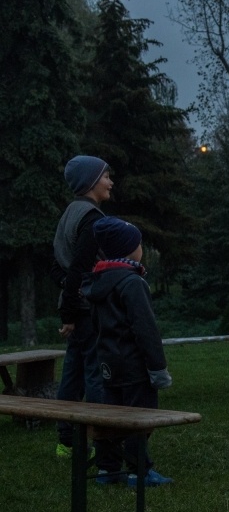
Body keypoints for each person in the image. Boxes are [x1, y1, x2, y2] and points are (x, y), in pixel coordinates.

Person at [81, 216, 173, 486]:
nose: (141, 248)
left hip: (108, 362)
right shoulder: (133, 283)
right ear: (130, 249)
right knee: (140, 417)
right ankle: (138, 470)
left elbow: (95, 326)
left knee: (112, 417)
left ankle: (107, 469)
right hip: (134, 365)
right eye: (138, 243)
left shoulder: (98, 282)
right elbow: (145, 329)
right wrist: (157, 368)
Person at [50, 155, 112, 458]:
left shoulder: (69, 214)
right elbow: (80, 269)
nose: (110, 182)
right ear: (90, 182)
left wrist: (68, 304)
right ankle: (102, 443)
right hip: (87, 308)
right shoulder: (92, 218)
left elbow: (57, 268)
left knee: (72, 375)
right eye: (106, 176)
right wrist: (72, 312)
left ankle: (67, 442)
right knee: (95, 374)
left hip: (75, 306)